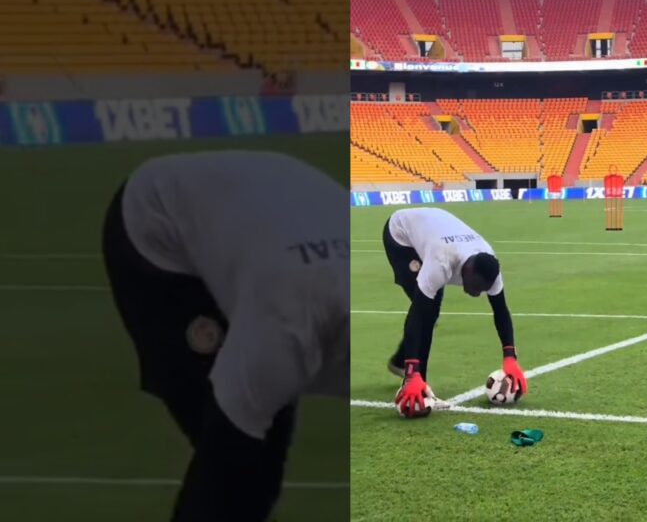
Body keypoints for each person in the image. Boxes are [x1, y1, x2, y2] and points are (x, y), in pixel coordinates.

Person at [101, 151, 349, 522]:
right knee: (240, 468)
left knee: (256, 472)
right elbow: (226, 453)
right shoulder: (285, 333)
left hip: (271, 207)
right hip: (157, 228)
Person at [383, 207, 527, 416]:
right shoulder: (441, 262)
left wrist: (510, 357)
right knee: (426, 311)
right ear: (465, 271)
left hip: (434, 227)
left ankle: (401, 363)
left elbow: (501, 310)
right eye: (476, 287)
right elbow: (417, 314)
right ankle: (414, 381)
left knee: (430, 309)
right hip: (400, 236)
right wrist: (413, 372)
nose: (478, 294)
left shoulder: (489, 265)